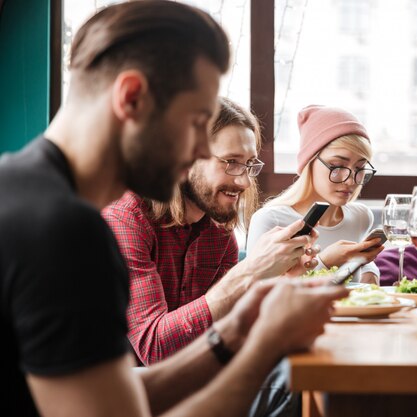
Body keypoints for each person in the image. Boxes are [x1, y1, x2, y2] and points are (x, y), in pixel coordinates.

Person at [0, 2, 347, 417]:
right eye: (196, 121)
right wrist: (264, 347)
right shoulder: (66, 230)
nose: (202, 150)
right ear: (132, 98)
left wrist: (236, 331)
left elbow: (116, 395)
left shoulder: (21, 191)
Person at [103, 97, 317, 365]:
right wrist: (250, 270)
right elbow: (154, 349)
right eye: (230, 162)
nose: (243, 181)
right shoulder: (126, 219)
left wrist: (278, 281)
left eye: (249, 164)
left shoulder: (218, 233)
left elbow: (226, 332)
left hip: (185, 376)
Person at [247, 105, 384, 284]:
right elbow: (254, 295)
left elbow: (362, 264)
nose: (350, 181)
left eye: (359, 168)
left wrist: (370, 271)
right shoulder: (272, 220)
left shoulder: (360, 216)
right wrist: (324, 262)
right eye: (336, 167)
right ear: (309, 162)